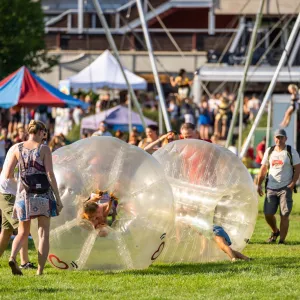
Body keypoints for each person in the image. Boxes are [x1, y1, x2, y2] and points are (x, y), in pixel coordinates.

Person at [6, 120, 63, 275]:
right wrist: (58, 198)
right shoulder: (44, 149)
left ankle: (12, 257)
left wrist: (21, 182)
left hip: (23, 195)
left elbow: (8, 174)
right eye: (44, 133)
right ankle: (40, 270)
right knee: (43, 232)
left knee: (22, 233)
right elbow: (50, 174)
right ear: (40, 132)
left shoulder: (17, 148)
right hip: (42, 195)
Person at [257, 129, 300, 244]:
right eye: (277, 137)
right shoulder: (269, 151)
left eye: (281, 137)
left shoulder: (291, 151)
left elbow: (297, 169)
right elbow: (263, 169)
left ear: (285, 139)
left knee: (284, 214)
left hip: (286, 188)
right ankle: (275, 231)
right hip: (271, 187)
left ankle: (281, 241)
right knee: (268, 214)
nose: (278, 139)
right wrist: (259, 185)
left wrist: (292, 184)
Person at [0, 144, 35, 270]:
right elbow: (9, 174)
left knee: (7, 230)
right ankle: (24, 262)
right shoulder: (20, 149)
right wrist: (26, 185)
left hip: (10, 192)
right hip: (8, 193)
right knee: (22, 228)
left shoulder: (25, 148)